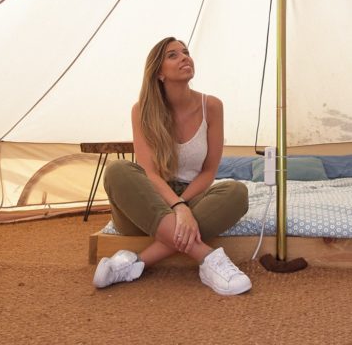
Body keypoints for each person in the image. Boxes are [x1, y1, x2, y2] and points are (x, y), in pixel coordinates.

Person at [92, 37, 251, 295]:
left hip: (193, 198)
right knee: (117, 170)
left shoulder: (211, 106)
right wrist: (177, 207)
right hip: (147, 206)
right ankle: (208, 259)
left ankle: (137, 263)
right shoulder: (141, 110)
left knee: (237, 193)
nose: (185, 57)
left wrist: (184, 205)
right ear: (159, 72)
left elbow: (209, 172)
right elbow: (149, 172)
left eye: (186, 52)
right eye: (173, 55)